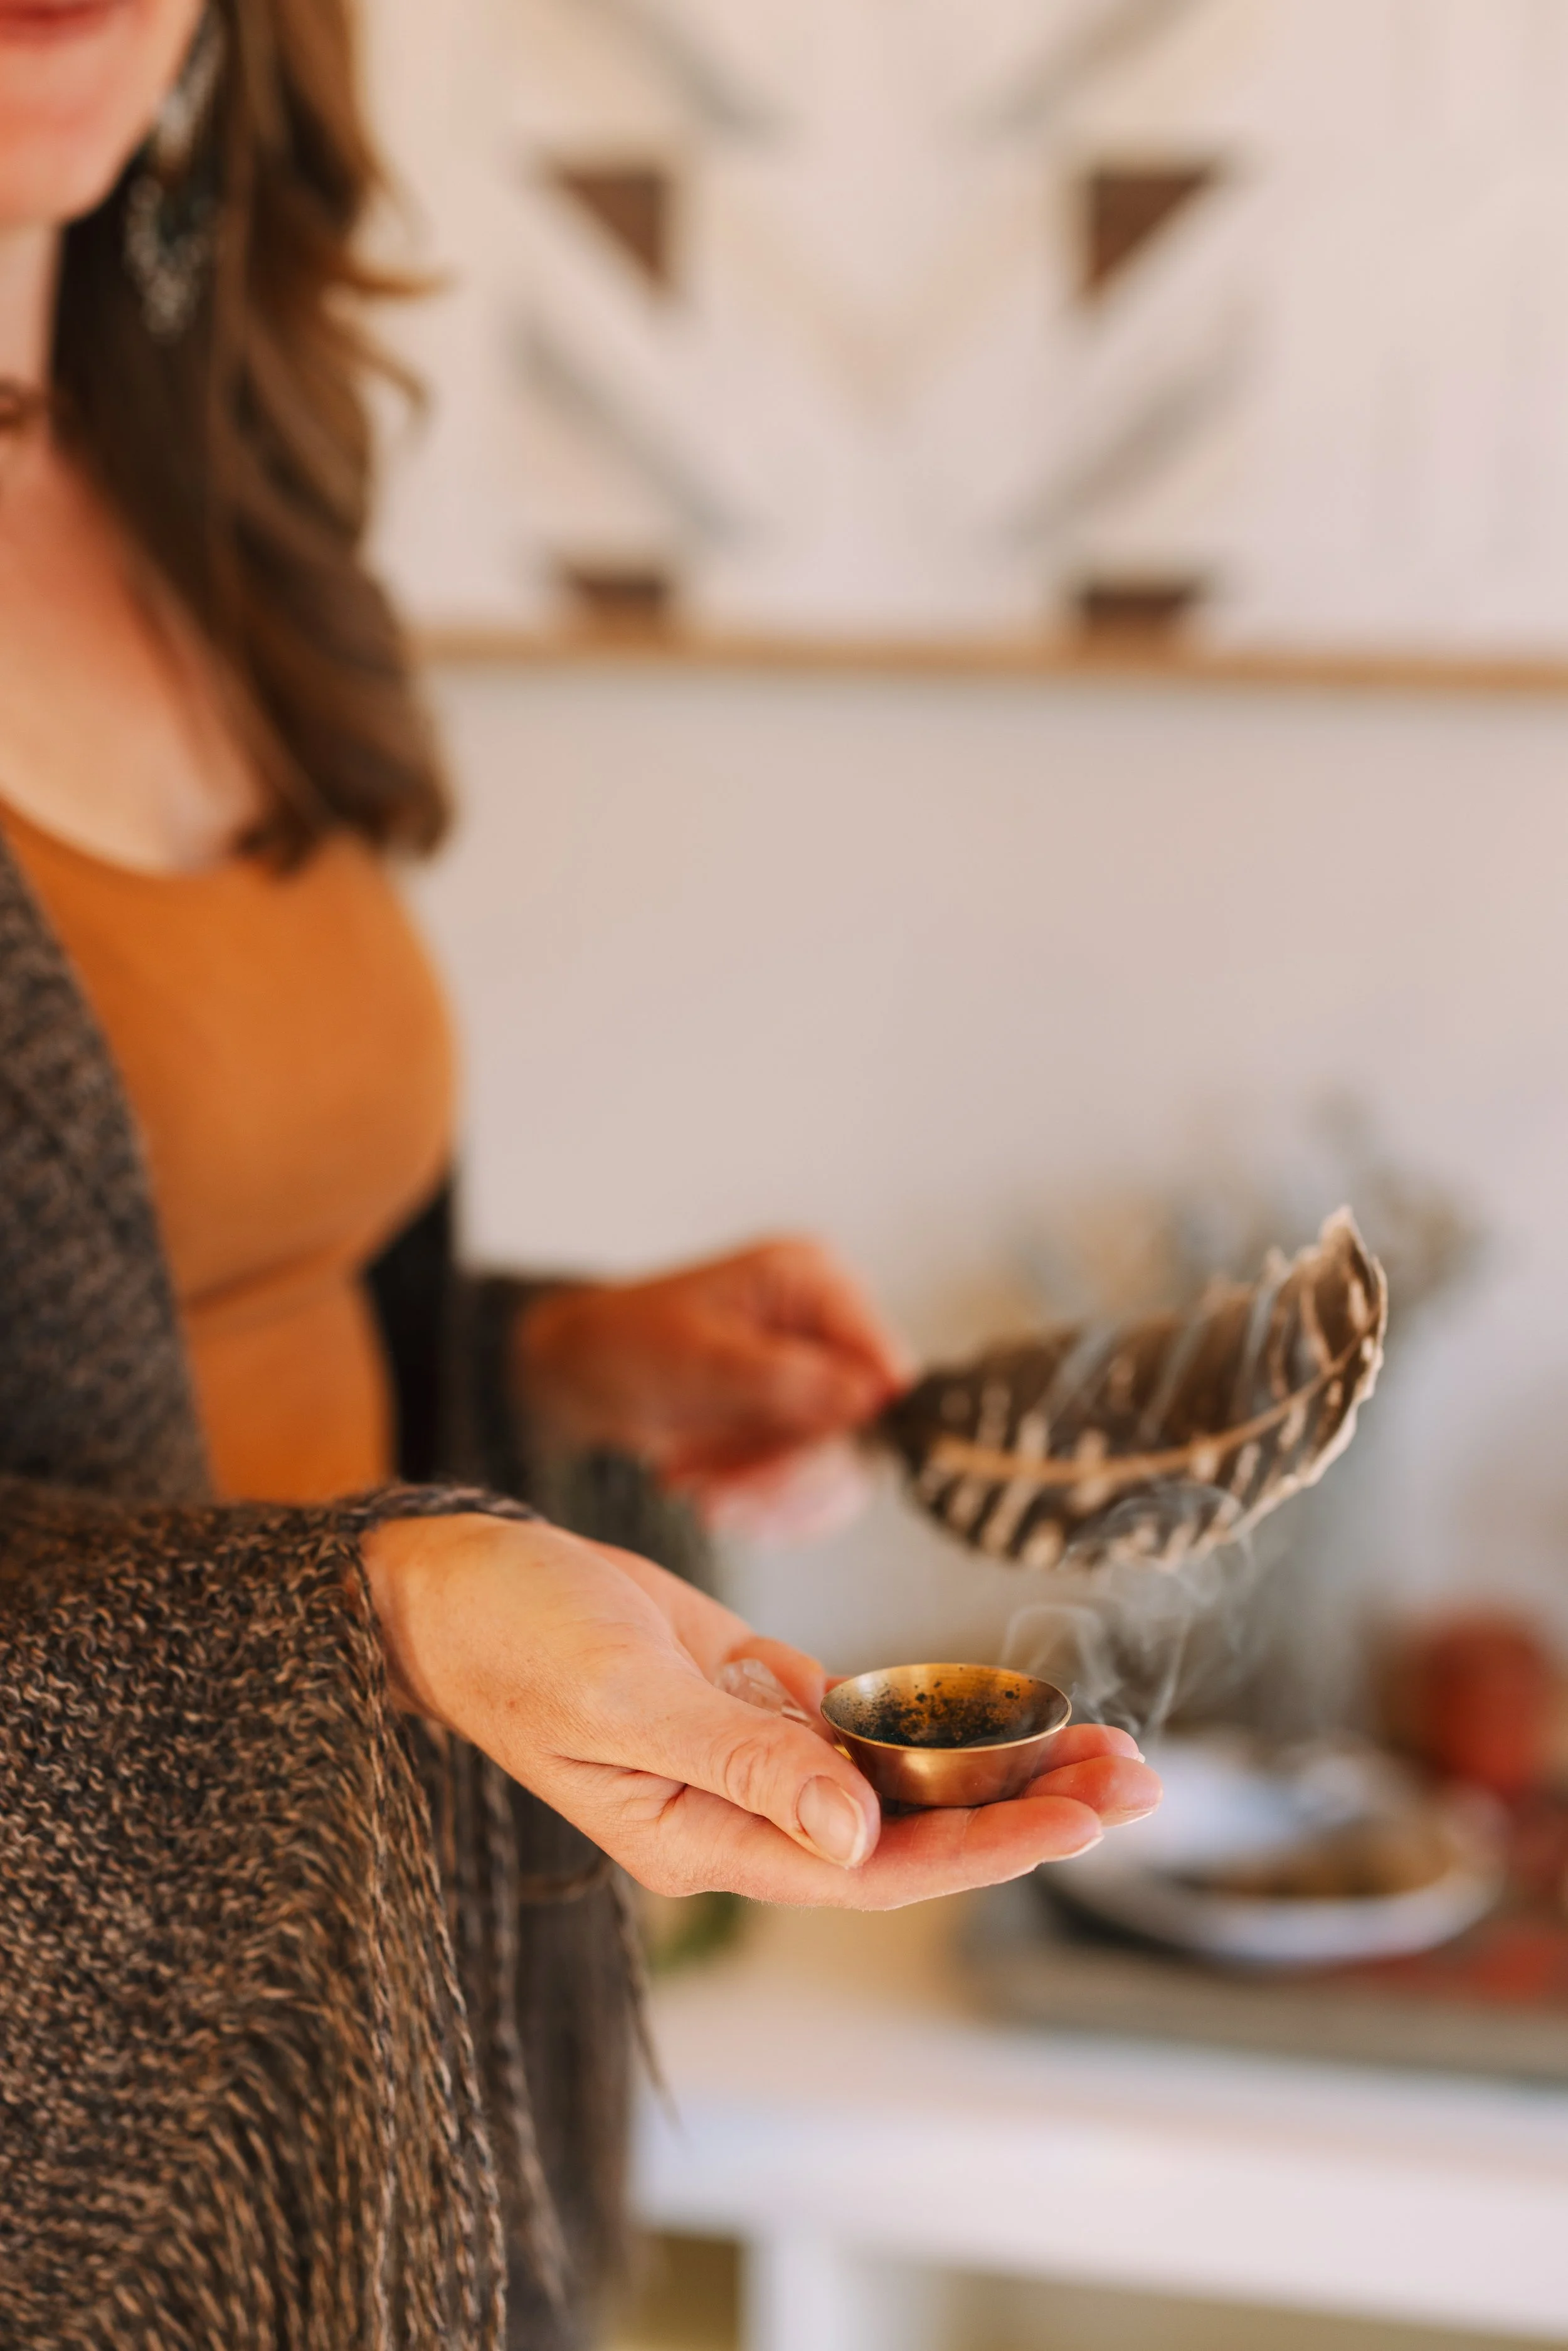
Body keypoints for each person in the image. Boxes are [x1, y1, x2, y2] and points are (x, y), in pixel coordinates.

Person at [0, 3, 1160, 2344]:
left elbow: (229, 1290)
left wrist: (536, 1365)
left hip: (354, 2076)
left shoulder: (183, 497)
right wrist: (391, 1607)